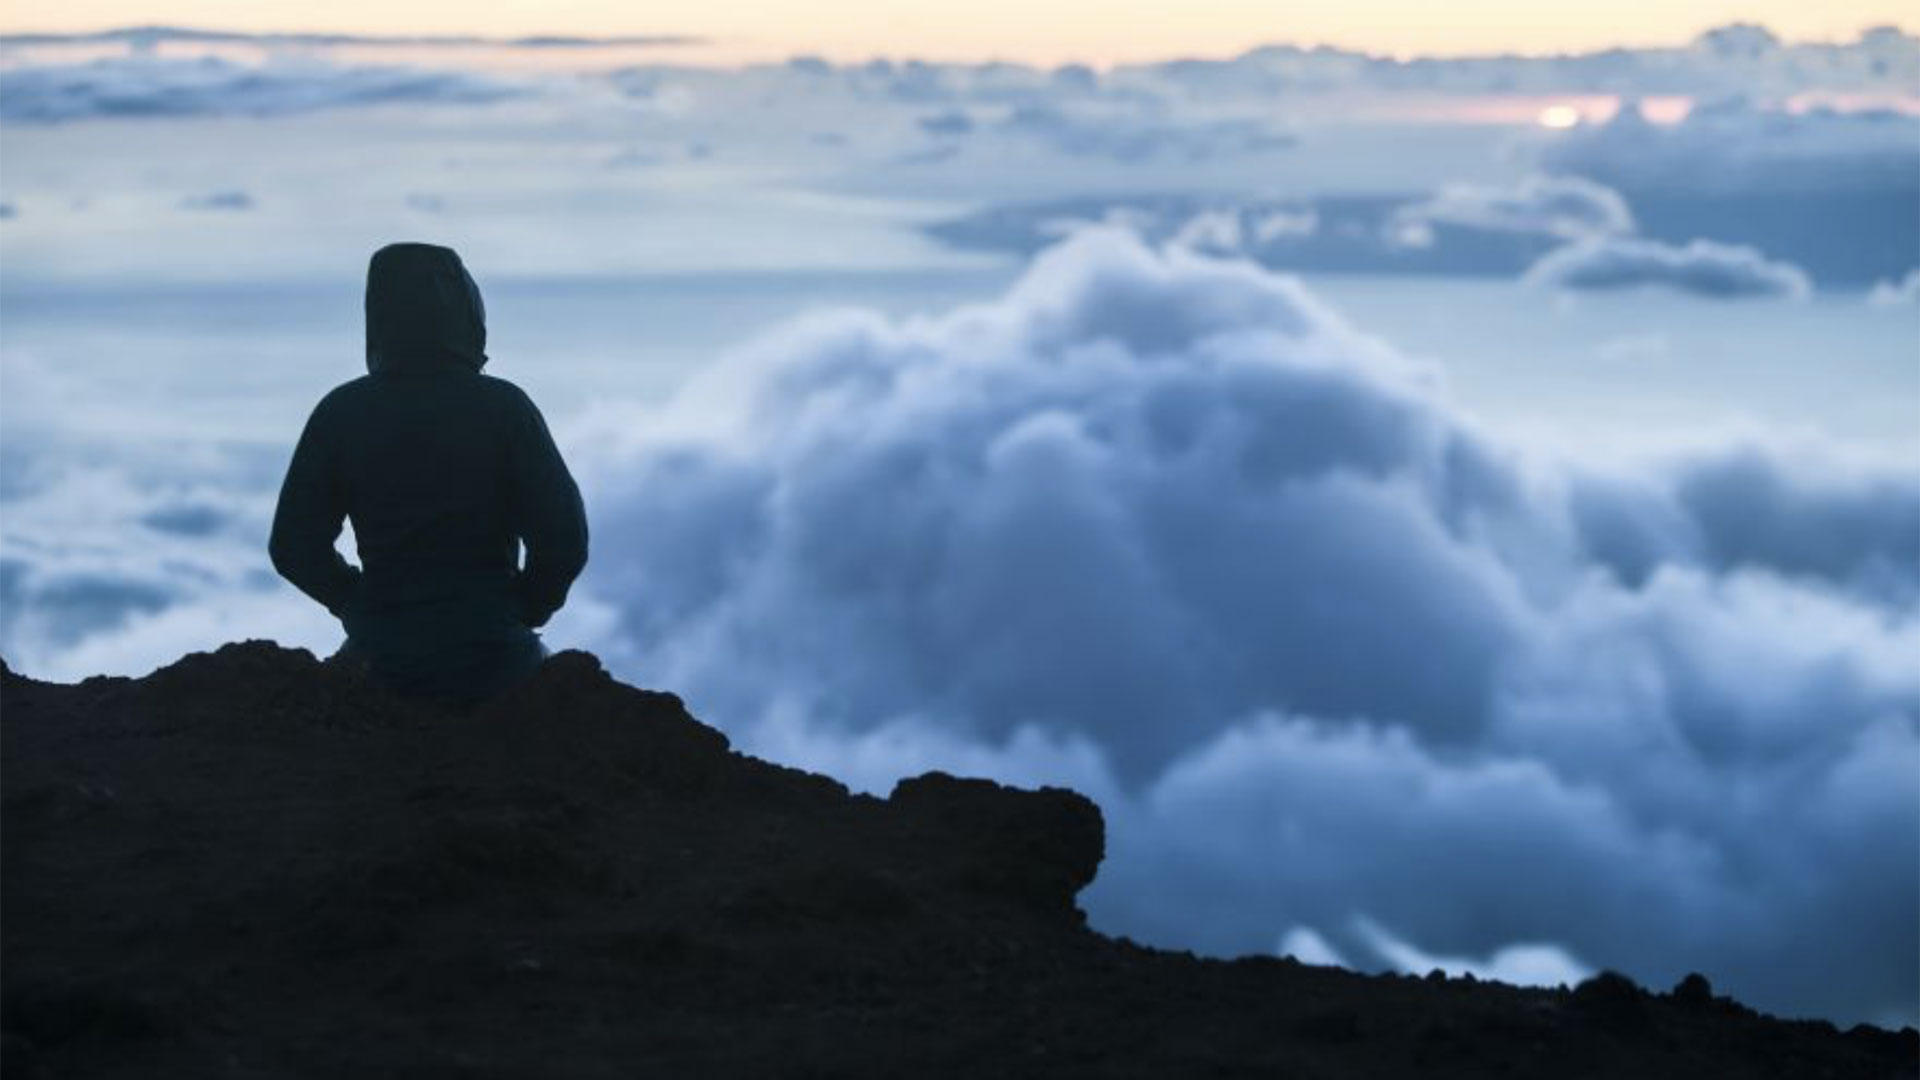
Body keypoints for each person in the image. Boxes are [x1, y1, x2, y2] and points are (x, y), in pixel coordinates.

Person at [270, 242, 588, 705]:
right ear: (466, 312)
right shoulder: (504, 408)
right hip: (498, 660)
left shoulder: (342, 412)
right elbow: (563, 538)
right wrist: (522, 610)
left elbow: (293, 546)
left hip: (381, 658)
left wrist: (358, 605)